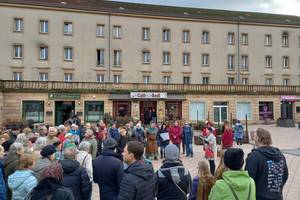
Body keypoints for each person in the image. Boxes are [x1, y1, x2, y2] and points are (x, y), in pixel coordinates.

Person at [245, 128, 288, 200]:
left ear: (259, 138)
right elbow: (285, 175)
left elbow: (248, 178)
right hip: (277, 196)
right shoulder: (280, 155)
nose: (253, 138)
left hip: (259, 196)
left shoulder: (255, 156)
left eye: (254, 136)